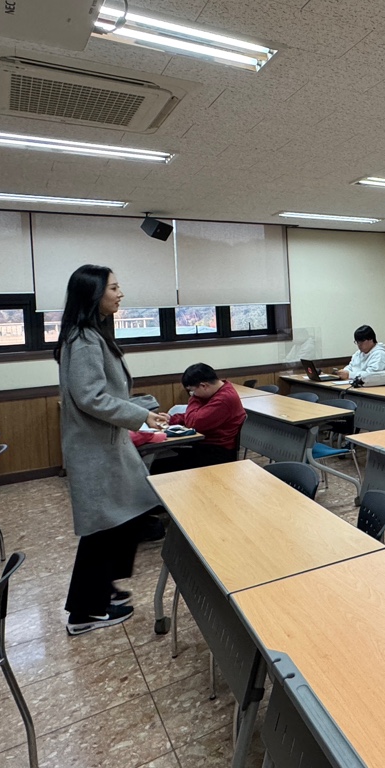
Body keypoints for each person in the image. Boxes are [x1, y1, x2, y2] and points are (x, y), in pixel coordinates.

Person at [56, 264, 169, 636]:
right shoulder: (84, 339)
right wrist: (141, 416)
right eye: (114, 288)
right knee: (103, 528)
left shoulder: (93, 334)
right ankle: (85, 612)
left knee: (129, 514)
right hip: (95, 449)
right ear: (93, 294)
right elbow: (91, 397)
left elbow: (105, 394)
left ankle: (104, 589)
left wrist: (141, 412)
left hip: (106, 444)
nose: (120, 294)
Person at [152, 363, 245, 472]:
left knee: (158, 467)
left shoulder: (224, 399)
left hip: (217, 452)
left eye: (192, 391)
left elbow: (194, 422)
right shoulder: (216, 391)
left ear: (204, 386)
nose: (192, 394)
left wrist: (194, 398)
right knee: (159, 460)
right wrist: (171, 419)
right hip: (205, 445)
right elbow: (198, 414)